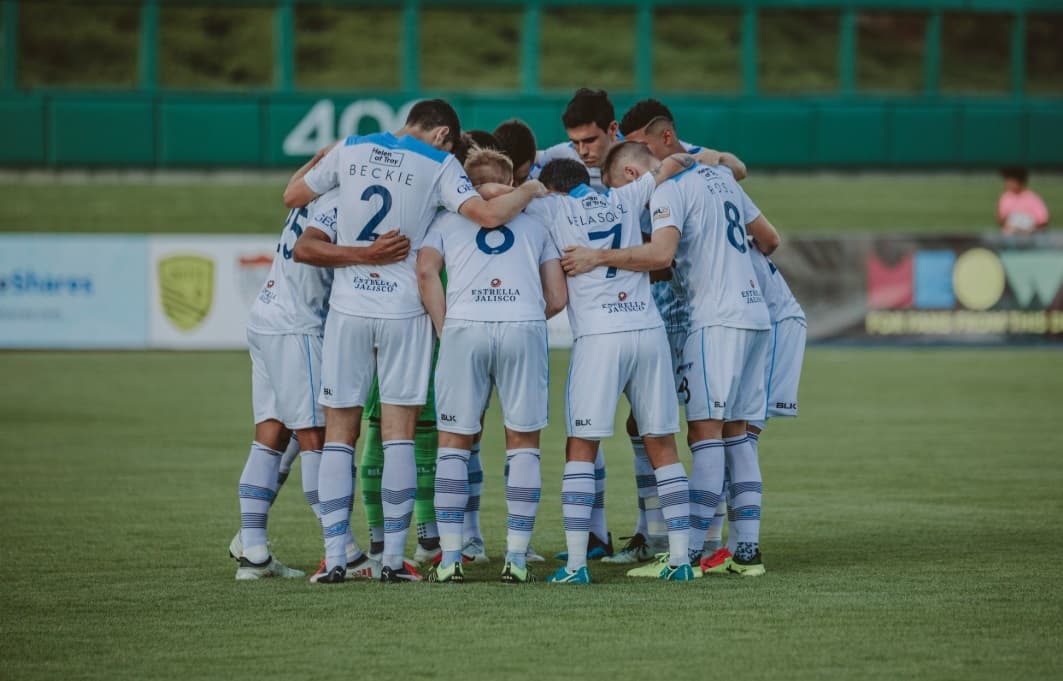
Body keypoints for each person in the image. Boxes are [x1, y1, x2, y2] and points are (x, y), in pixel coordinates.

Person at [283, 99, 546, 584]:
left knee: (341, 435)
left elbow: (293, 196)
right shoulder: (440, 163)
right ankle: (391, 562)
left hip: (349, 307)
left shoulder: (351, 148)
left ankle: (336, 557)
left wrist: (324, 158)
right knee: (399, 434)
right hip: (404, 309)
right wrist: (530, 187)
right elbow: (487, 216)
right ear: (444, 134)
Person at [562, 140, 779, 577]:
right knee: (739, 433)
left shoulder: (666, 192)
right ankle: (746, 554)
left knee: (704, 433)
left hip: (714, 320)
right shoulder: (719, 177)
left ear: (628, 175)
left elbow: (660, 255)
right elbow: (770, 240)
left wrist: (598, 256)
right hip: (757, 316)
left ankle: (692, 554)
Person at [530, 155, 698, 584]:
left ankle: (575, 565)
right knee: (662, 443)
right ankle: (680, 559)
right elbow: (676, 162)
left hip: (601, 337)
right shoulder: (626, 195)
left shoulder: (550, 206)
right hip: (648, 331)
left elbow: (496, 204)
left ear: (551, 188)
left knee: (581, 446)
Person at [234, 184, 410, 581]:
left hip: (267, 315)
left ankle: (254, 551)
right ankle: (345, 551)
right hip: (298, 325)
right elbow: (307, 250)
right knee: (320, 438)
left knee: (271, 434)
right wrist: (369, 255)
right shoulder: (339, 200)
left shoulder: (315, 193)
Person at [417, 147, 567, 584]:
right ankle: (517, 559)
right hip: (523, 323)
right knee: (523, 442)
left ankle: (450, 559)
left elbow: (426, 272)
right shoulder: (536, 220)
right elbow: (557, 297)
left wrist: (447, 328)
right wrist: (522, 320)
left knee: (453, 443)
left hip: (465, 326)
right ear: (510, 177)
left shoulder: (446, 219)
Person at [702, 247, 805, 575]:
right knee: (728, 437)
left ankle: (742, 548)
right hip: (756, 324)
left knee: (739, 438)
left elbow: (771, 237)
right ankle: (727, 547)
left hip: (774, 326)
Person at [998, 167, 1049, 235]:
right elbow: (1001, 219)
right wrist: (1012, 227)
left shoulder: (1032, 198)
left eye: (1011, 181)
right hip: (1011, 237)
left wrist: (1028, 230)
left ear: (1020, 181)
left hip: (1030, 237)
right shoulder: (1005, 197)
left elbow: (1043, 221)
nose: (1007, 184)